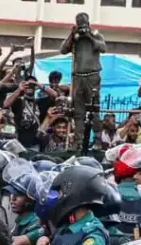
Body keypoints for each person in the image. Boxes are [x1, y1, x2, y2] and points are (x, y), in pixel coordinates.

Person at [26, 165, 109, 245]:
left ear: (73, 194)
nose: (56, 200)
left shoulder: (93, 233)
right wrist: (45, 240)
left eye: (59, 194)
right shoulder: (67, 225)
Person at [60, 13, 106, 150]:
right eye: (79, 22)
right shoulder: (75, 38)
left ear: (88, 22)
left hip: (92, 75)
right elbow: (63, 50)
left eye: (83, 22)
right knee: (78, 111)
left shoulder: (96, 35)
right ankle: (78, 141)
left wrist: (89, 36)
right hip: (78, 76)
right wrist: (72, 35)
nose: (82, 25)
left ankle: (98, 140)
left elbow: (103, 48)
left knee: (94, 108)